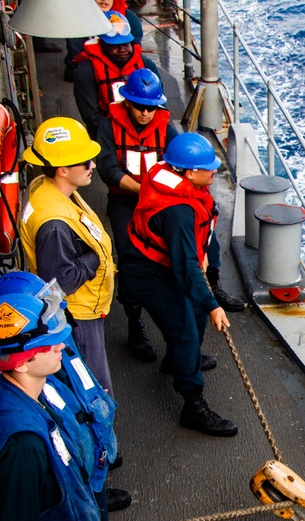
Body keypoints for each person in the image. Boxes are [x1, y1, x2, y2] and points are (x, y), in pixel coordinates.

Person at [0, 272, 146, 521]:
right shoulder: (21, 407)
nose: (60, 331)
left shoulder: (44, 356)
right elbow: (22, 513)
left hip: (88, 476)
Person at [122, 132, 238, 437]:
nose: (214, 171)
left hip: (157, 262)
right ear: (188, 173)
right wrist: (213, 305)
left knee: (194, 316)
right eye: (208, 168)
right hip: (149, 273)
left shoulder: (168, 177)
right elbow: (185, 267)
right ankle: (192, 404)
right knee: (186, 329)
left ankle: (178, 361)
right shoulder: (178, 212)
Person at [19, 117, 116, 399]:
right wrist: (94, 259)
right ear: (62, 170)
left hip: (78, 309)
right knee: (92, 386)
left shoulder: (45, 187)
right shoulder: (54, 224)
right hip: (77, 314)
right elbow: (61, 281)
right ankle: (101, 440)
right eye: (85, 162)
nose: (93, 166)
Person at [96, 68, 179, 362]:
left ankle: (177, 340)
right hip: (125, 203)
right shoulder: (108, 127)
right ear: (127, 103)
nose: (145, 113)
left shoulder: (167, 128)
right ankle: (135, 325)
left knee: (170, 261)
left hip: (158, 202)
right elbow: (108, 170)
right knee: (130, 261)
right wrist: (146, 190)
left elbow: (177, 164)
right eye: (140, 106)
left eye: (151, 107)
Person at [73, 10, 158, 138]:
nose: (122, 49)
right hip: (106, 134)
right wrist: (119, 135)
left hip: (143, 131)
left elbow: (158, 102)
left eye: (126, 43)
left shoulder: (146, 65)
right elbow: (91, 116)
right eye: (116, 45)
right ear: (102, 44)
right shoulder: (86, 70)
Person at [64, 0, 144, 82]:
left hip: (118, 67)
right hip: (88, 67)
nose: (105, 0)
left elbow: (135, 53)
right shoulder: (76, 20)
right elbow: (75, 53)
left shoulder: (130, 19)